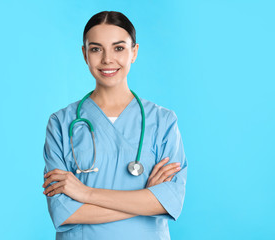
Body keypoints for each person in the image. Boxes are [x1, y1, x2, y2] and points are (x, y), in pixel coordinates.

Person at [42, 10, 188, 240]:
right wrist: (144, 199)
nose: (107, 59)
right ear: (85, 54)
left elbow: (169, 201)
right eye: (96, 49)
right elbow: (64, 212)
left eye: (118, 48)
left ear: (134, 52)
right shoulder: (60, 123)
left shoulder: (163, 121)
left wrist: (85, 193)